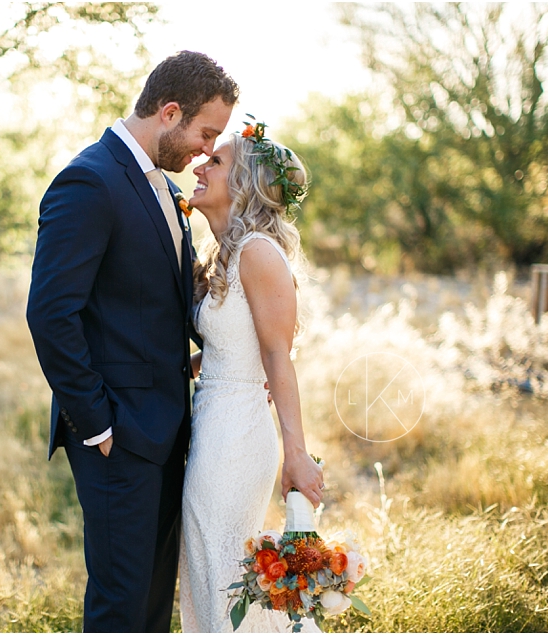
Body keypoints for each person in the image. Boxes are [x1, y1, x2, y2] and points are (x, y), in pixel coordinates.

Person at [26, 51, 238, 632]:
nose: (205, 149)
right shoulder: (89, 181)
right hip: (115, 437)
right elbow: (50, 314)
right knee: (121, 607)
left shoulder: (165, 193)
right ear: (170, 112)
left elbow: (146, 309)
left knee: (151, 606)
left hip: (170, 431)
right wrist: (95, 422)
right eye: (206, 133)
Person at [178, 124, 324, 632]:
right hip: (212, 426)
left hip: (237, 438)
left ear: (244, 182)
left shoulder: (258, 252)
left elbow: (278, 358)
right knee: (208, 571)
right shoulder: (226, 256)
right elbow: (227, 353)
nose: (199, 165)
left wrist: (296, 456)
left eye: (214, 162)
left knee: (225, 578)